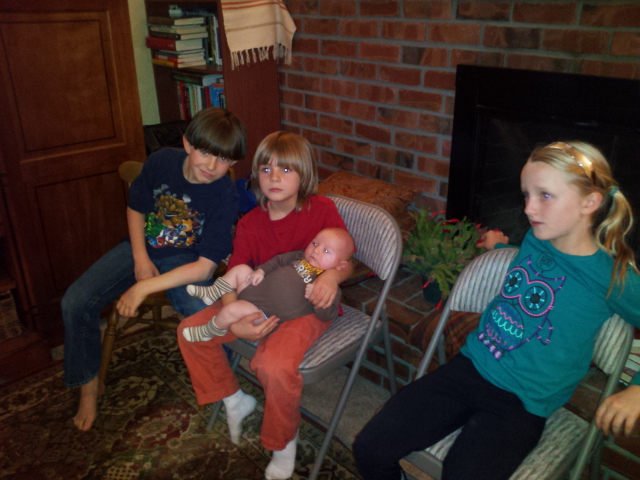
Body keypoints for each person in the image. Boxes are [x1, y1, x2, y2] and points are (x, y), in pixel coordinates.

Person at [353, 141, 640, 480]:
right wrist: (500, 247)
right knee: (369, 447)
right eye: (526, 195)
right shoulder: (536, 239)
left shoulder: (613, 277)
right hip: (469, 367)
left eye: (545, 195)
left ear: (589, 202)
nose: (529, 208)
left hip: (522, 401)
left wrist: (637, 391)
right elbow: (538, 266)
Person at [177, 131, 354, 480]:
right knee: (189, 332)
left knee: (273, 366)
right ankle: (235, 400)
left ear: (304, 175)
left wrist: (332, 278)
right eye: (266, 169)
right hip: (256, 302)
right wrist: (235, 322)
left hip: (305, 308)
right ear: (255, 174)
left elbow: (346, 259)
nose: (274, 177)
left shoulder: (322, 209)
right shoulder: (249, 223)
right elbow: (235, 272)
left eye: (286, 170)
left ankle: (283, 441)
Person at [61, 107, 246, 432]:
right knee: (75, 301)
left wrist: (143, 287)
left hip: (187, 261)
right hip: (141, 247)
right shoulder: (162, 161)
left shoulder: (225, 193)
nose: (212, 166)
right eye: (205, 153)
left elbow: (205, 269)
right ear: (187, 144)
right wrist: (140, 259)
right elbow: (136, 208)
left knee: (206, 316)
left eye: (223, 159)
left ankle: (225, 388)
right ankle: (88, 387)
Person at [182, 227, 355, 342]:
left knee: (230, 310)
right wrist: (260, 271)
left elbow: (328, 315)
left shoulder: (328, 288)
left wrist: (317, 300)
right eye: (315, 243)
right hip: (253, 287)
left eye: (326, 251)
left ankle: (209, 331)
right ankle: (213, 292)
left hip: (260, 312)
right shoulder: (299, 256)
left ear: (341, 265)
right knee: (241, 269)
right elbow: (277, 260)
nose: (316, 250)